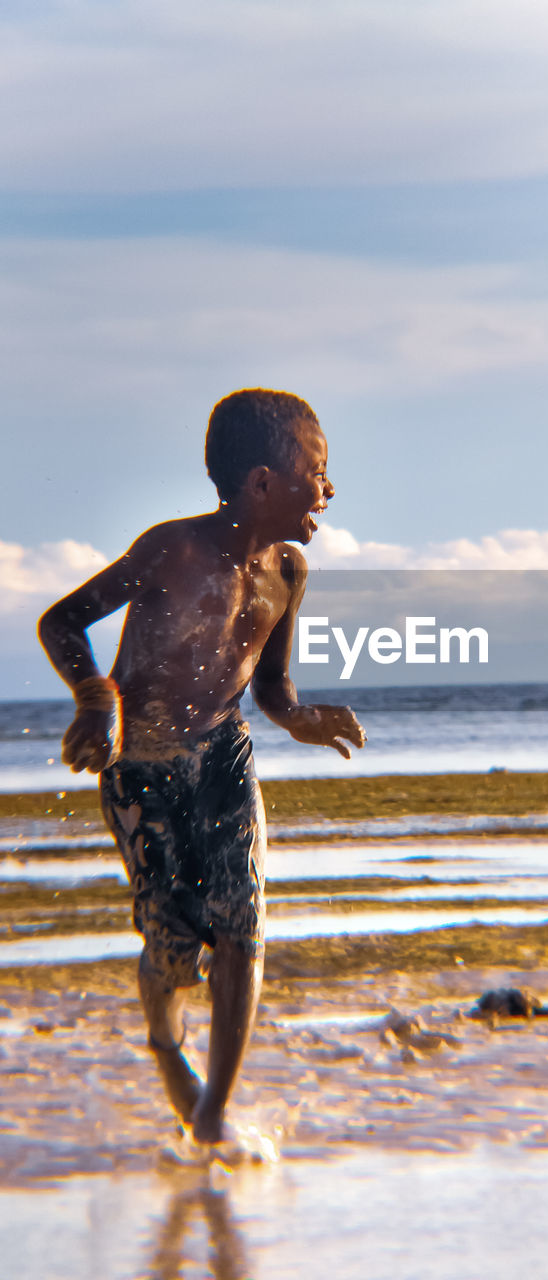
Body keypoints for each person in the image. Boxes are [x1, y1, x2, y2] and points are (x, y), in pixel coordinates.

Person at [38, 388, 365, 1146]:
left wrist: (303, 720)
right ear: (262, 482)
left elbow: (272, 686)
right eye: (318, 471)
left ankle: (215, 1111)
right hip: (141, 764)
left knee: (243, 922)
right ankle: (163, 1040)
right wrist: (95, 699)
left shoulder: (289, 570)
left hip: (223, 749)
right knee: (172, 940)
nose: (329, 488)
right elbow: (62, 621)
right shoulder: (171, 551)